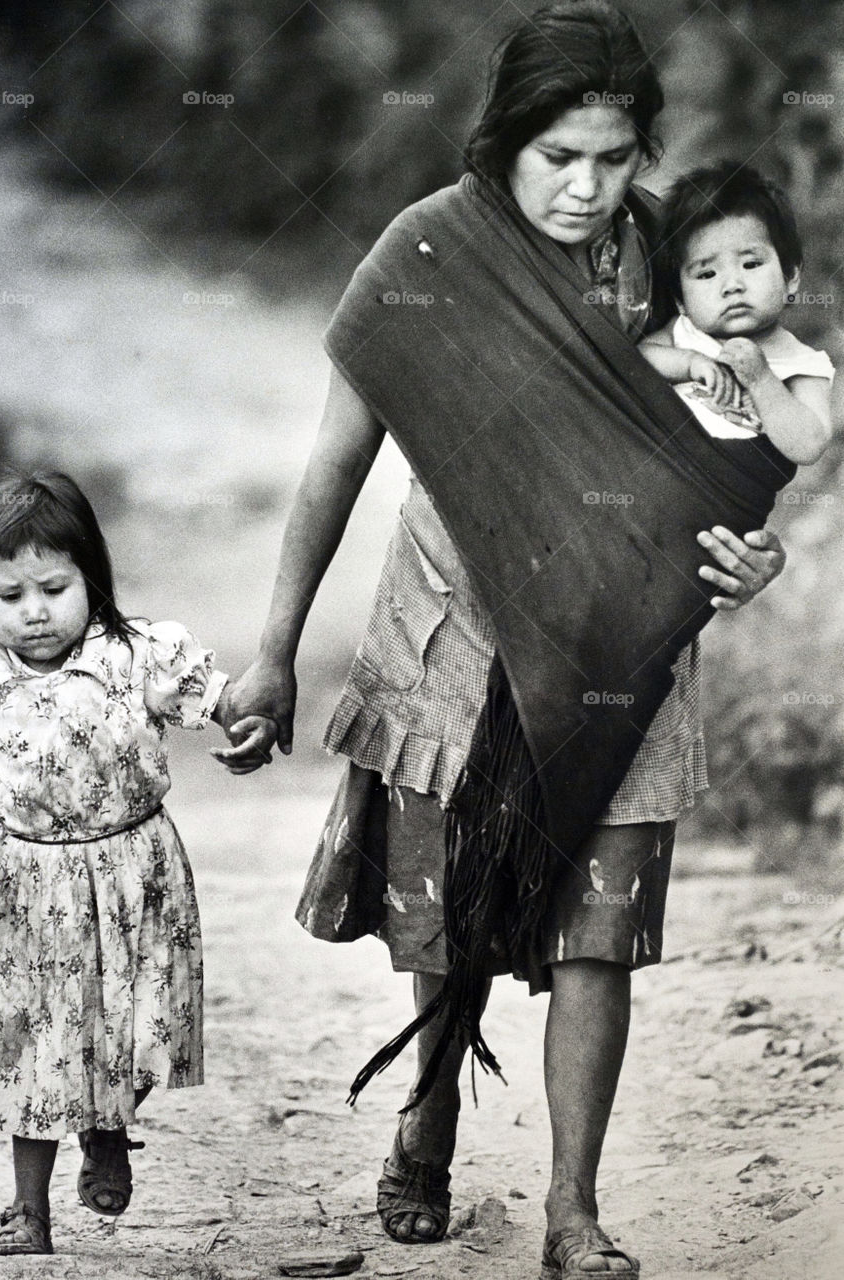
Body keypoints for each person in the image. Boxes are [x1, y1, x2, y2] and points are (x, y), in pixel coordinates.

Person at [224, 4, 793, 1275]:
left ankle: (570, 1206)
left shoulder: (676, 270)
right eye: (558, 158)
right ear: (503, 146)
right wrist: (272, 647)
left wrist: (750, 560)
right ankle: (427, 1106)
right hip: (454, 641)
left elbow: (741, 458)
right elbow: (333, 460)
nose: (588, 187)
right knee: (443, 914)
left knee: (599, 926)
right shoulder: (428, 253)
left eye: (612, 155)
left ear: (642, 147)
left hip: (622, 652)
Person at [0, 472, 275, 1257]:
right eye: (10, 596)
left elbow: (215, 696)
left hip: (138, 874)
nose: (35, 612)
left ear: (90, 579)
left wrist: (247, 720)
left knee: (142, 1025)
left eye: (53, 587)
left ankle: (107, 1123)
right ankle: (27, 1209)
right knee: (34, 1049)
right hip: (31, 891)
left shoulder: (136, 656)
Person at [639, 161, 834, 462]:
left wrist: (761, 379)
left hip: (728, 492)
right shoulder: (682, 333)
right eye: (707, 274)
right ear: (680, 300)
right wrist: (690, 363)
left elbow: (809, 447)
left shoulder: (804, 365)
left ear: (791, 277)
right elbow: (637, 360)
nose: (732, 285)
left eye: (751, 264)